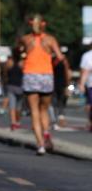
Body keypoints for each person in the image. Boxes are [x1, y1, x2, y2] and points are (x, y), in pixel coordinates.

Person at [18, 13, 64, 155]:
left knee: (34, 111)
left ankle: (40, 145)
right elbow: (60, 57)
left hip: (30, 74)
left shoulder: (26, 39)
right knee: (44, 108)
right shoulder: (50, 39)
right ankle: (46, 133)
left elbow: (20, 52)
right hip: (46, 75)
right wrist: (51, 62)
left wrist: (24, 58)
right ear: (44, 24)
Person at [3, 55, 25, 130]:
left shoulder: (9, 63)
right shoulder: (23, 63)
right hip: (20, 87)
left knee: (12, 106)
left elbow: (5, 73)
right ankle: (18, 122)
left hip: (11, 85)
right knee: (18, 107)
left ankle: (13, 123)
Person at [51, 53, 71, 130]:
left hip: (54, 84)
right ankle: (60, 119)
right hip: (62, 84)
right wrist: (68, 84)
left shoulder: (53, 61)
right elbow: (67, 73)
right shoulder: (64, 62)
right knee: (61, 102)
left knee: (55, 103)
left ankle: (55, 120)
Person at [79, 45, 92, 132]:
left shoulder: (87, 55)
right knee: (90, 104)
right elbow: (85, 71)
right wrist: (82, 84)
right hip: (90, 84)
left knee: (90, 104)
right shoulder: (87, 56)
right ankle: (90, 121)